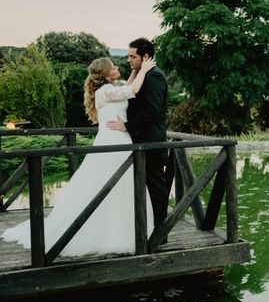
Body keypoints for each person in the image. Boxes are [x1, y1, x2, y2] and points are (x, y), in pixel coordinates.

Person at [2, 57, 156, 256]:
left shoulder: (109, 89)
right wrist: (143, 69)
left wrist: (136, 71)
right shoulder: (105, 91)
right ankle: (104, 232)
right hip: (113, 141)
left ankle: (118, 227)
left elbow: (126, 87)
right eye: (114, 67)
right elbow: (132, 90)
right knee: (109, 184)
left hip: (119, 138)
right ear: (108, 75)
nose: (118, 67)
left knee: (120, 185)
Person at [107, 38, 169, 233]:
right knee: (140, 188)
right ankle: (143, 229)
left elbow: (152, 109)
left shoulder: (154, 76)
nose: (128, 60)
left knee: (156, 188)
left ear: (146, 56)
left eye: (132, 56)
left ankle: (160, 232)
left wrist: (127, 126)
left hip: (151, 141)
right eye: (128, 56)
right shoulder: (142, 74)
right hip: (138, 140)